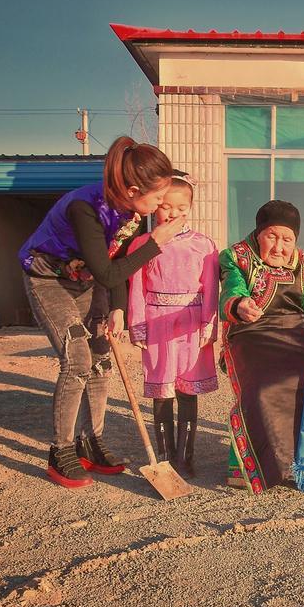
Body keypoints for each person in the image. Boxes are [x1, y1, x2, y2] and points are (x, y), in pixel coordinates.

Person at [19, 136, 179, 488]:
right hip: (49, 279)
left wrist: (118, 307)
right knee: (77, 359)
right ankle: (61, 451)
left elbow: (117, 260)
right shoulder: (85, 208)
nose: (160, 205)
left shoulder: (131, 212)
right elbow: (108, 272)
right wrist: (155, 244)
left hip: (89, 280)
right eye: (157, 197)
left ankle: (90, 442)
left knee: (100, 356)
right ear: (134, 190)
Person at [219, 200, 304, 492]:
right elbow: (232, 288)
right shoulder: (236, 256)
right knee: (263, 388)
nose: (279, 247)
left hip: (296, 334)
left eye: (287, 239)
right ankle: (260, 464)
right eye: (271, 236)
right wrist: (240, 304)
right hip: (250, 333)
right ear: (258, 233)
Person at [127, 171, 218, 475]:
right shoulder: (141, 244)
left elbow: (211, 288)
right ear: (155, 207)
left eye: (181, 208)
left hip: (191, 322)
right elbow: (136, 287)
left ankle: (186, 457)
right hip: (157, 323)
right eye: (166, 207)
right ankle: (165, 457)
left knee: (187, 390)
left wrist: (208, 324)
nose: (173, 213)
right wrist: (137, 324)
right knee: (162, 391)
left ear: (190, 208)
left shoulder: (204, 245)